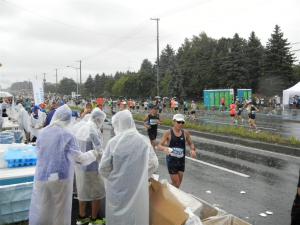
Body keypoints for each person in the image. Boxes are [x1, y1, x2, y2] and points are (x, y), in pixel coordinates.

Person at [29, 104, 100, 225]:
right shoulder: (67, 135)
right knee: (59, 213)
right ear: (68, 119)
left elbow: (38, 151)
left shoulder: (43, 132)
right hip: (60, 180)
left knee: (42, 210)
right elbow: (79, 159)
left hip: (41, 177)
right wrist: (94, 153)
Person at [99, 110, 158, 225]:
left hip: (117, 190)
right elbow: (154, 163)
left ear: (119, 124)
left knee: (117, 219)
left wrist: (117, 178)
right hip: (137, 190)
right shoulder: (144, 141)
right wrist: (140, 176)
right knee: (135, 217)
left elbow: (103, 168)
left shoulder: (113, 143)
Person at [73, 108, 106, 225]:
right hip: (92, 168)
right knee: (96, 193)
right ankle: (94, 219)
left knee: (82, 192)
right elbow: (99, 151)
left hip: (79, 167)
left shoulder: (81, 127)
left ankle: (81, 217)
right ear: (98, 119)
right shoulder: (93, 130)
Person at [157, 114, 196, 188]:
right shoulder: (168, 132)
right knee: (177, 183)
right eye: (178, 122)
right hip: (171, 161)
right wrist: (164, 148)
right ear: (173, 122)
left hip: (181, 161)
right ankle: (167, 194)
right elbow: (159, 146)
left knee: (177, 184)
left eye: (182, 122)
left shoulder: (185, 133)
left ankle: (165, 188)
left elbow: (191, 143)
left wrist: (192, 150)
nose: (180, 124)